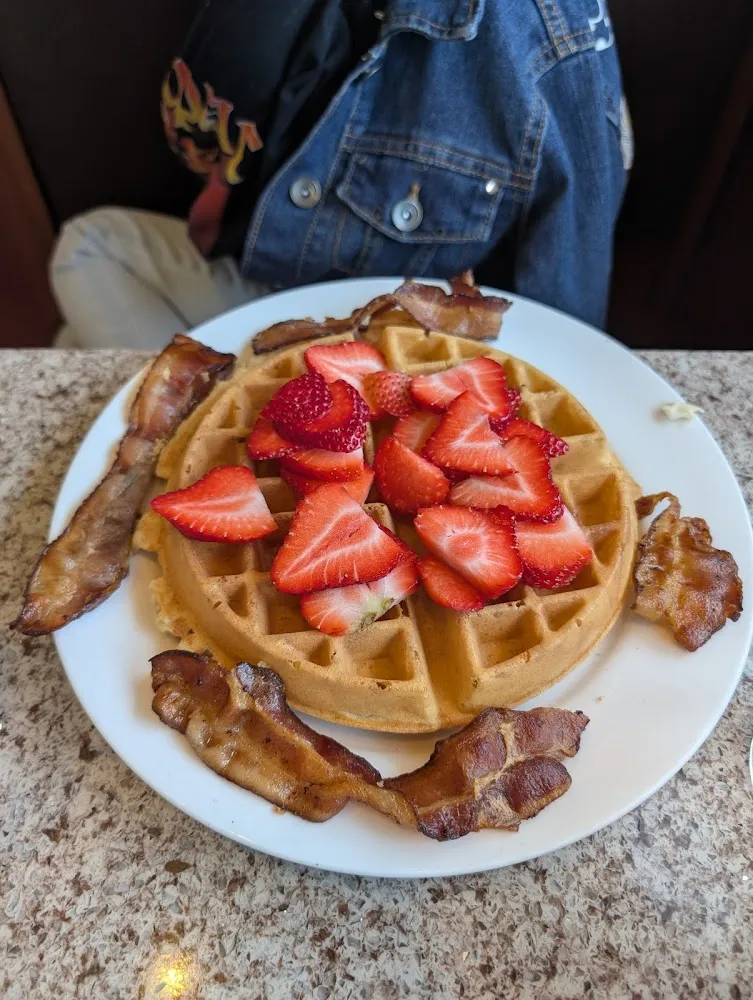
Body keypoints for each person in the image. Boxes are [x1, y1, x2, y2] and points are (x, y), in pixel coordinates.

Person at [52, 0, 632, 349]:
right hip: (281, 287)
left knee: (77, 321)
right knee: (88, 251)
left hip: (406, 360)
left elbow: (567, 335)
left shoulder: (551, 45)